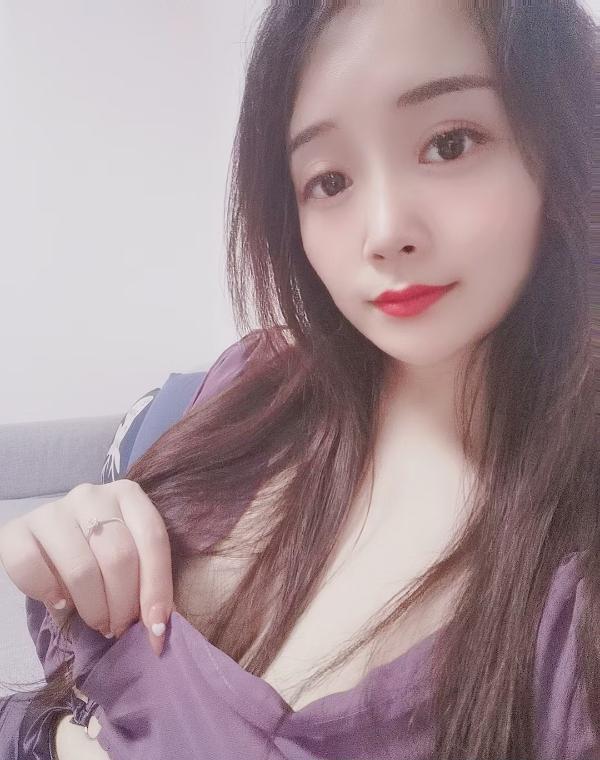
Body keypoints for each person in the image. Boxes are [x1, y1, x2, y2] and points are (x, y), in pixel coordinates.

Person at [0, 1, 598, 758]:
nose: (385, 231)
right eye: (330, 180)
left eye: (450, 143)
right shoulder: (252, 381)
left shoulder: (570, 596)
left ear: (558, 144)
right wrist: (77, 547)